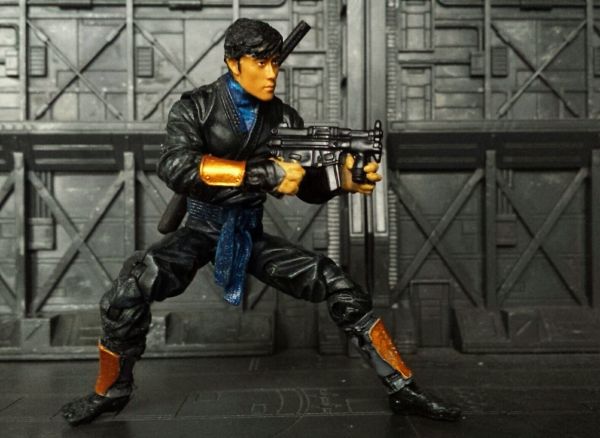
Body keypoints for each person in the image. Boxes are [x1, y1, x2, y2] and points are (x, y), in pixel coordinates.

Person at [60, 18, 461, 426]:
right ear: (234, 63)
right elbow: (176, 166)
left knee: (341, 286)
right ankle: (111, 391)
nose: (272, 73)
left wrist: (342, 179)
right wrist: (263, 174)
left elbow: (306, 184)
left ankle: (402, 387)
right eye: (261, 63)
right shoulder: (196, 107)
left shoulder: (282, 117)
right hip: (200, 230)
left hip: (248, 233)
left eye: (276, 63)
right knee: (127, 291)